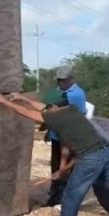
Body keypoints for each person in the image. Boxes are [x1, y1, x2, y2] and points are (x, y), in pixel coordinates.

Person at [46, 65, 87, 206]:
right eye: (59, 80)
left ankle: (61, 200)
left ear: (71, 79)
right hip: (57, 136)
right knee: (56, 166)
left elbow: (72, 116)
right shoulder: (60, 91)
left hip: (68, 136)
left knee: (65, 169)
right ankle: (55, 195)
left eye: (63, 80)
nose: (61, 83)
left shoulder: (76, 94)